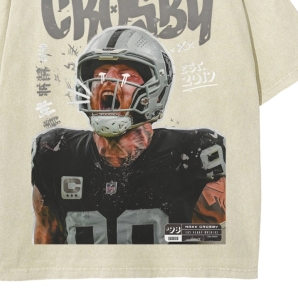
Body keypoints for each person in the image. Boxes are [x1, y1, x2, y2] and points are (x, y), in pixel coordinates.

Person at [31, 26, 226, 244]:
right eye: (100, 74)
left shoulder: (193, 155)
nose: (108, 81)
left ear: (157, 91)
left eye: (126, 75)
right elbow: (46, 246)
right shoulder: (55, 153)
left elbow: (212, 248)